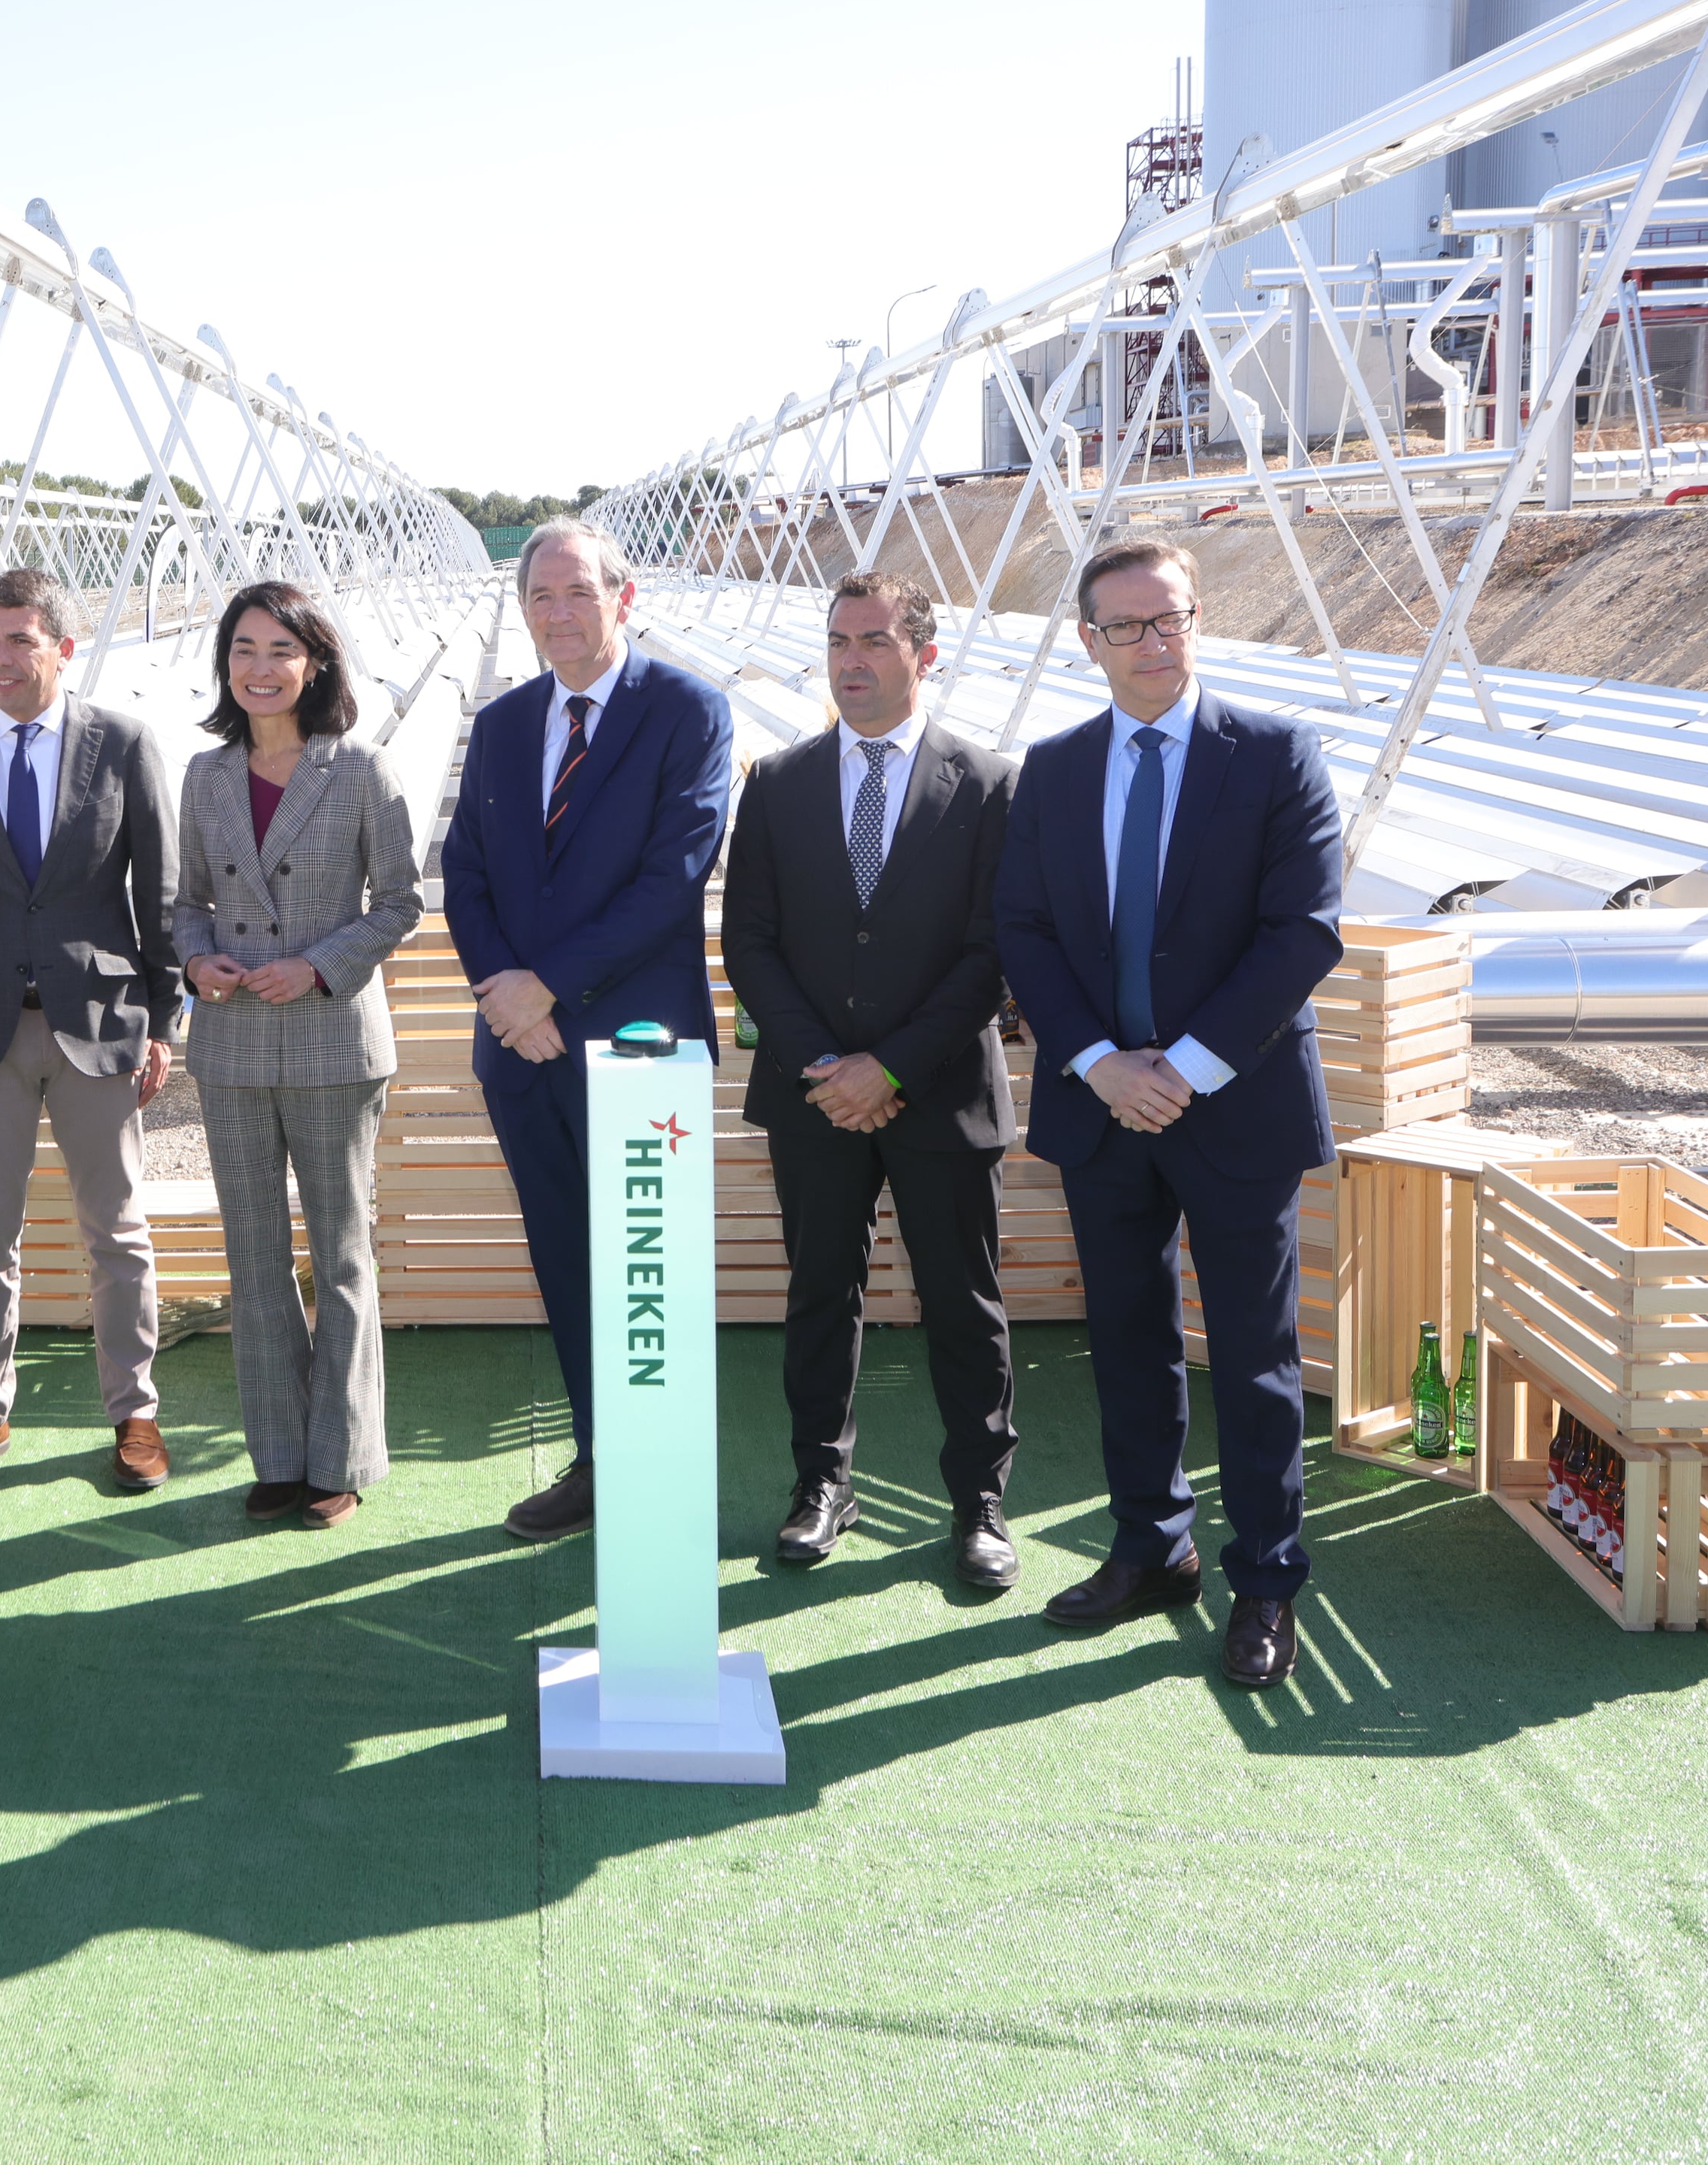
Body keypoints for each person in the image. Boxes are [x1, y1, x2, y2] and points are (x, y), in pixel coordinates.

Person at [994, 539, 1344, 1690]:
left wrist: (1182, 1066)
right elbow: (1026, 932)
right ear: (1087, 639)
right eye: (1128, 625)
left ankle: (1266, 1578)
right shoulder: (1050, 770)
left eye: (1172, 619)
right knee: (1130, 1340)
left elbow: (1304, 930)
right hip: (1103, 1107)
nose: (1153, 643)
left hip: (1230, 1103)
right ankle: (1152, 1544)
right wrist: (1099, 1062)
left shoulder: (1277, 754)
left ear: (1198, 621)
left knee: (1254, 1352)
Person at [718, 571, 1021, 1590]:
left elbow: (990, 951)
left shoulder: (988, 781)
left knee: (963, 1301)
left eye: (875, 640)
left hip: (939, 1091)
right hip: (812, 1096)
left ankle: (979, 1501)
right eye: (839, 640)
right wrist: (827, 1065)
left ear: (923, 654)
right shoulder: (779, 781)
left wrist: (888, 1066)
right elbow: (748, 941)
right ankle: (821, 1485)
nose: (852, 660)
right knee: (819, 1293)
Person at [442, 519, 737, 1540]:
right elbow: (466, 871)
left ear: (626, 595)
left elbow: (673, 876)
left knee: (648, 1274)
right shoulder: (504, 721)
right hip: (522, 1053)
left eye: (578, 592)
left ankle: (660, 1480)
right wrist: (501, 991)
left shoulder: (689, 711)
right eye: (540, 597)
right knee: (568, 1260)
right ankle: (601, 1458)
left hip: (635, 1044)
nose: (558, 613)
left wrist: (546, 990)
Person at [0, 567, 180, 1495]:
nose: (0, 658)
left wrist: (164, 1021)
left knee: (118, 1232)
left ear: (61, 646)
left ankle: (133, 1412)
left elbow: (159, 898)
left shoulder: (124, 743)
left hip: (100, 1027)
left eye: (19, 639)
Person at [174, 582, 425, 1527]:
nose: (259, 667)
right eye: (242, 648)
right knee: (251, 1255)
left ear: (314, 661)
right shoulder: (203, 776)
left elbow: (399, 901)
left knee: (341, 1251)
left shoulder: (359, 768)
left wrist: (316, 968)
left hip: (332, 1040)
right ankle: (277, 1453)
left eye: (280, 649)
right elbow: (185, 899)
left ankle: (341, 1456)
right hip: (232, 1043)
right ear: (224, 664)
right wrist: (197, 954)